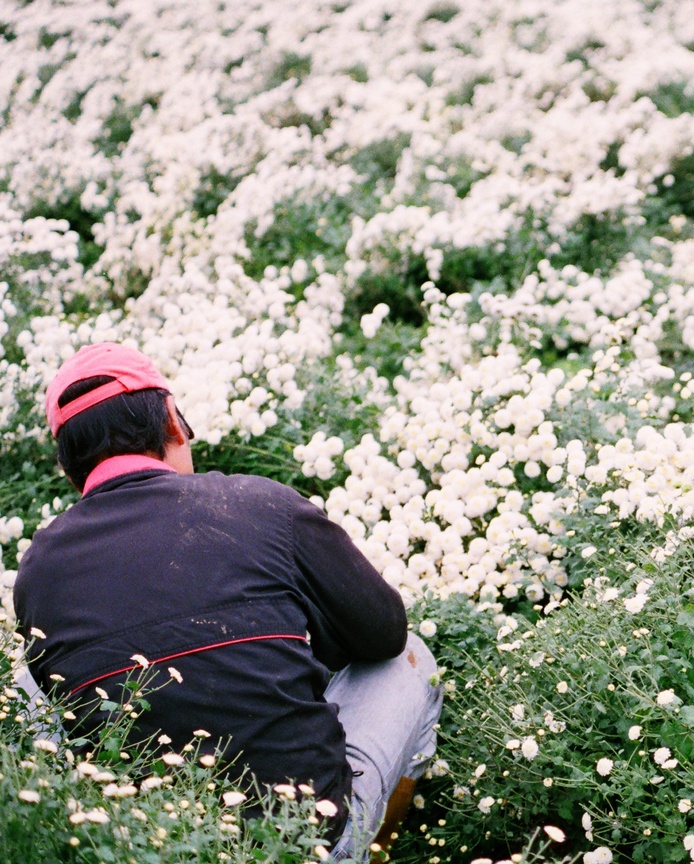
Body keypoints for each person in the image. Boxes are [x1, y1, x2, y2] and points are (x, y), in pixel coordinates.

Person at [14, 342, 443, 859]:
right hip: (301, 840)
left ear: (67, 470)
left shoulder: (36, 572)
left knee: (26, 682)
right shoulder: (260, 504)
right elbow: (384, 632)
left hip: (156, 845)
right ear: (173, 421)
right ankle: (371, 850)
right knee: (411, 659)